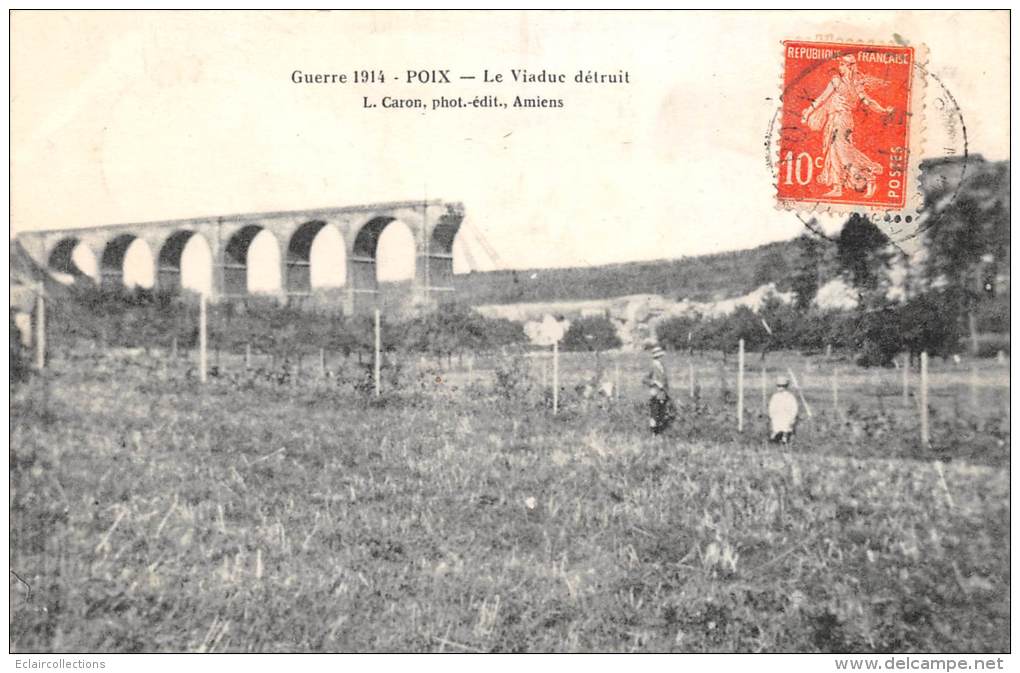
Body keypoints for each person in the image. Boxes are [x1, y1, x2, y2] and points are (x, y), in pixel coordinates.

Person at [800, 54, 895, 199]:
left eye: (842, 65)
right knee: (834, 153)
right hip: (841, 120)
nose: (840, 67)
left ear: (848, 67)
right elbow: (868, 102)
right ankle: (838, 187)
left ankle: (869, 178)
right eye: (840, 65)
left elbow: (821, 99)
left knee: (843, 154)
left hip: (840, 119)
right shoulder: (855, 85)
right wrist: (882, 110)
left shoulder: (838, 82)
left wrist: (808, 112)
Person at [643, 346, 674, 435]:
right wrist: (655, 382)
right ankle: (653, 433)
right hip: (655, 393)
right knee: (654, 413)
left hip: (663, 393)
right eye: (660, 356)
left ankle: (658, 432)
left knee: (661, 413)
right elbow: (645, 379)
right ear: (657, 356)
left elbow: (665, 381)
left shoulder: (662, 366)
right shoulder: (652, 366)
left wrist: (667, 391)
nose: (661, 358)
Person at [768, 376, 799, 444]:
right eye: (779, 386)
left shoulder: (790, 397)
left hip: (786, 415)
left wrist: (793, 417)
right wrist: (771, 414)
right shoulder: (775, 396)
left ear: (786, 387)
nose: (781, 388)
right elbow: (772, 406)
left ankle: (784, 439)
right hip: (777, 415)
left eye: (783, 386)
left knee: (786, 427)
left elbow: (794, 407)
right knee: (776, 427)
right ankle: (774, 439)